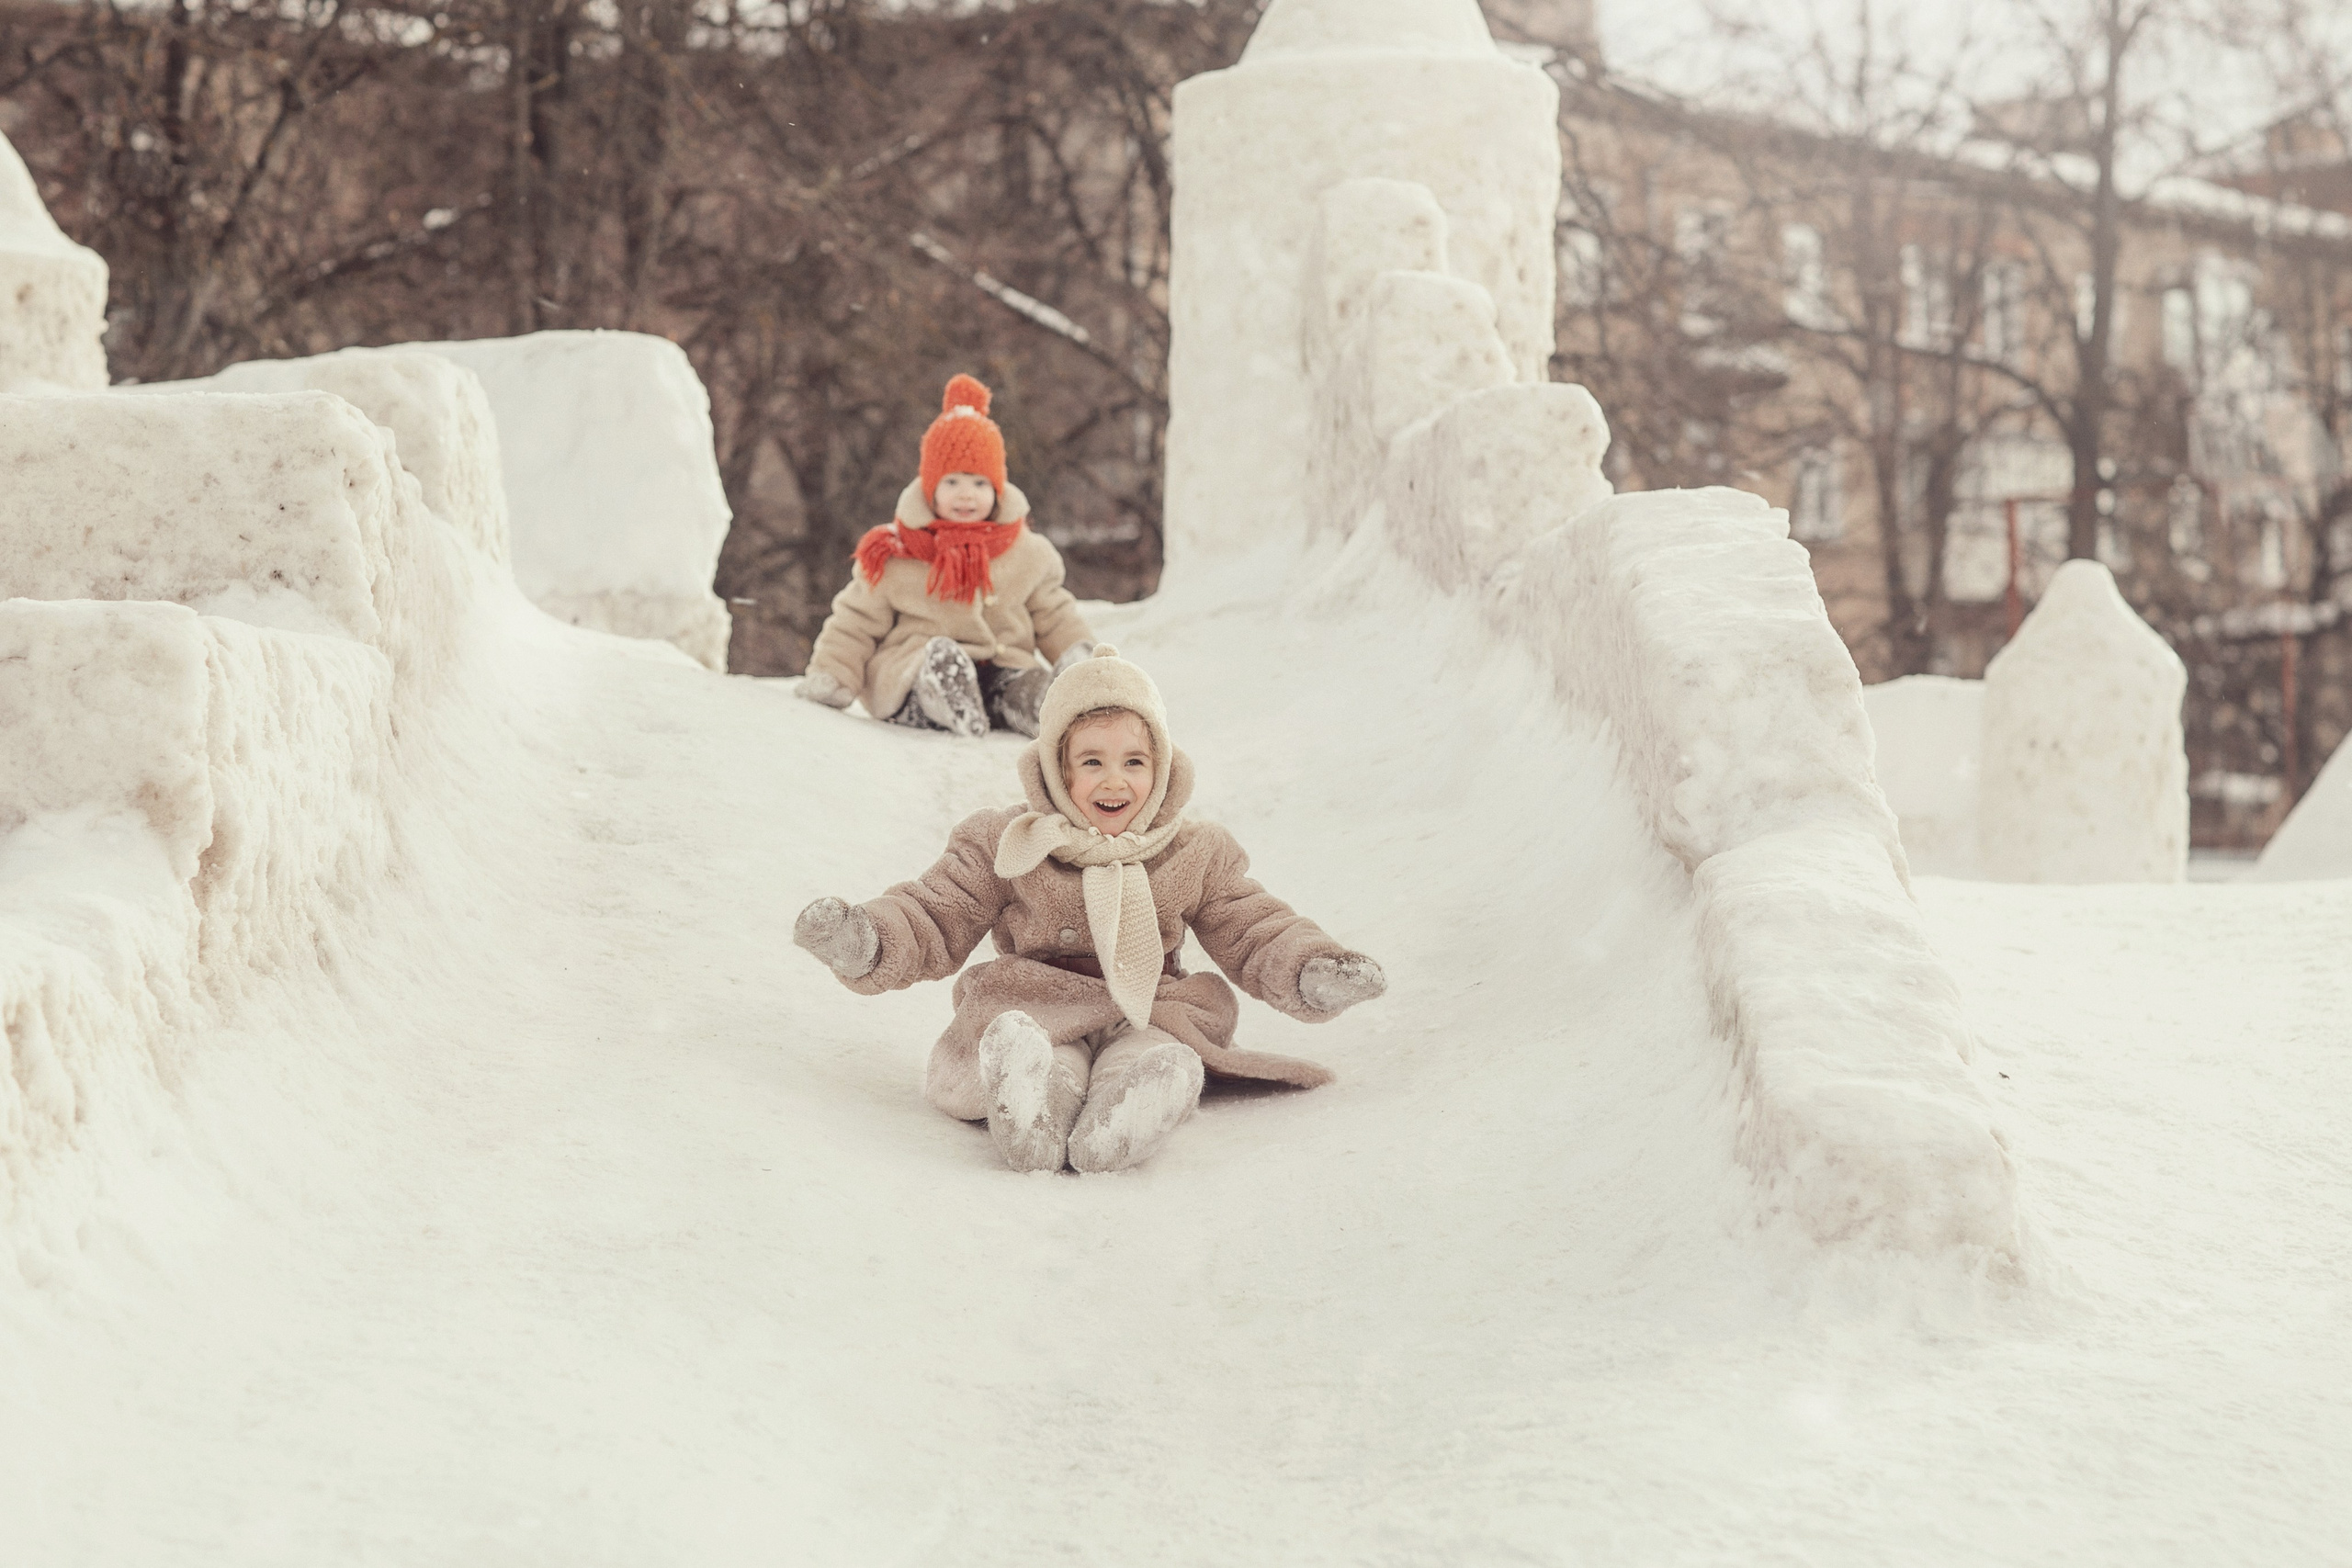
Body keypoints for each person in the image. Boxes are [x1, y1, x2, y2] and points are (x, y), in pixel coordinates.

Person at [791, 647, 1386, 1173]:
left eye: (1134, 761)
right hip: (1038, 1002)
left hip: (1150, 1007)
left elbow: (1253, 926)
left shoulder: (1190, 852)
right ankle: (1031, 1108)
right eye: (1092, 761)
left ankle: (1129, 1111)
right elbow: (936, 910)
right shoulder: (1008, 842)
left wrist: (1311, 966)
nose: (1115, 780)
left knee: (1145, 1049)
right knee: (1045, 1051)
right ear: (1057, 768)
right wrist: (867, 938)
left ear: (1161, 771)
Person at [797, 373, 1094, 738]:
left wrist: (1082, 659)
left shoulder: (1028, 553)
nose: (966, 495)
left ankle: (1048, 705)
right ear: (930, 488)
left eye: (979, 483)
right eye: (951, 482)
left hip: (1003, 668)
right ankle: (940, 693)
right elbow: (855, 623)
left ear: (998, 489)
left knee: (1024, 685)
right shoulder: (896, 554)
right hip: (914, 668)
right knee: (932, 670)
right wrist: (833, 675)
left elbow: (1054, 615)